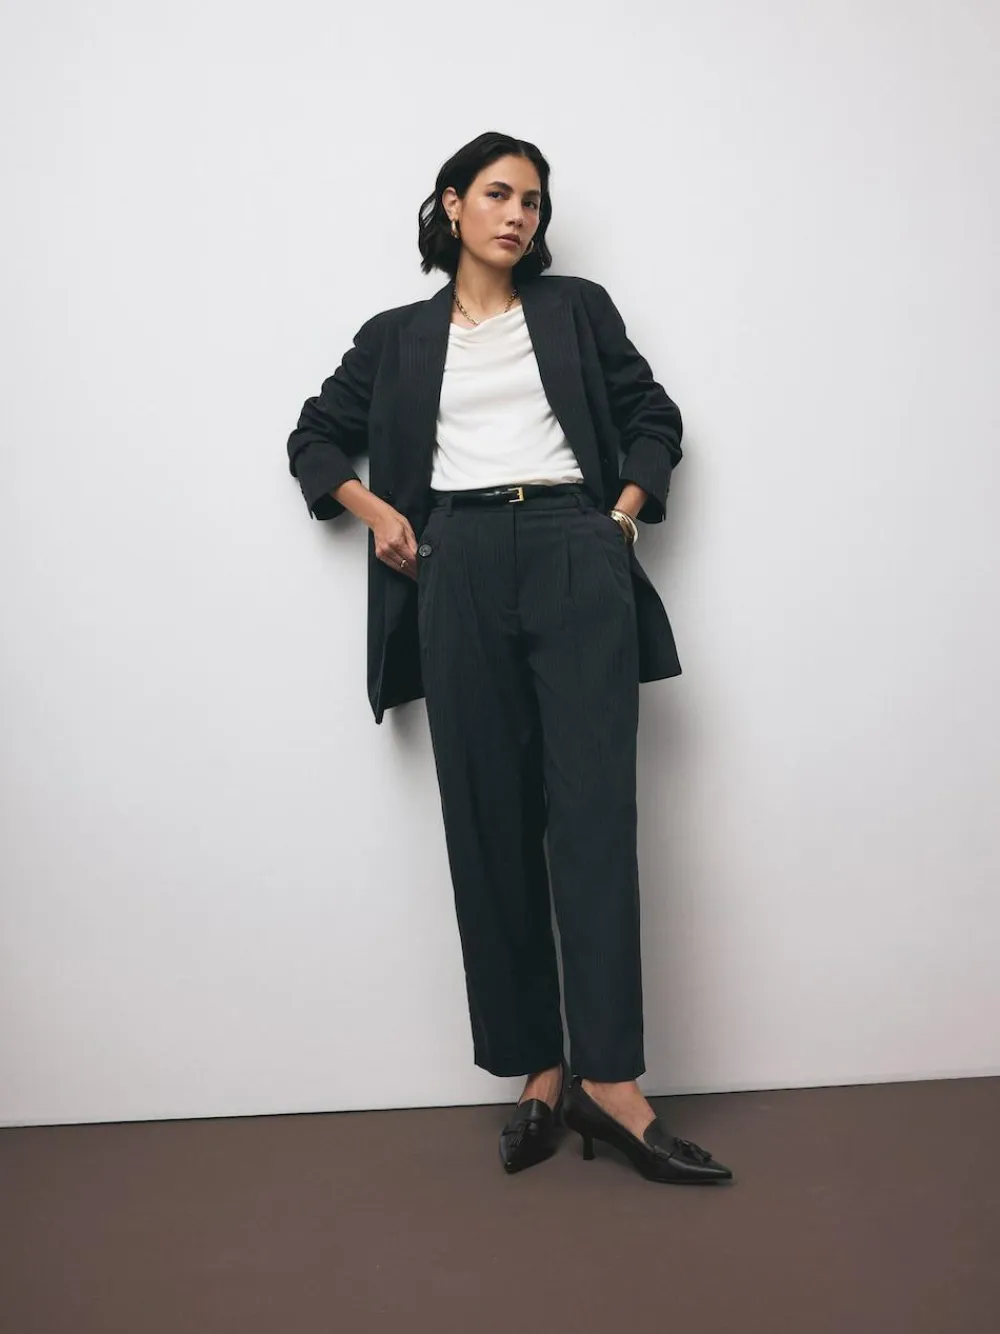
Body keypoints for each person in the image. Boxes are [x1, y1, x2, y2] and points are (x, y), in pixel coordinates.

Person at [286, 131, 733, 1185]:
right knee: (486, 820)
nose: (518, 215)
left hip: (576, 547)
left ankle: (612, 1084)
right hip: (457, 561)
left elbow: (653, 416)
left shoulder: (575, 309)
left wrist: (619, 517)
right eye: (497, 194)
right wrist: (375, 511)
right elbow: (312, 437)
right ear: (451, 205)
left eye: (532, 201)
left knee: (593, 816)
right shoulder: (395, 337)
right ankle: (539, 1070)